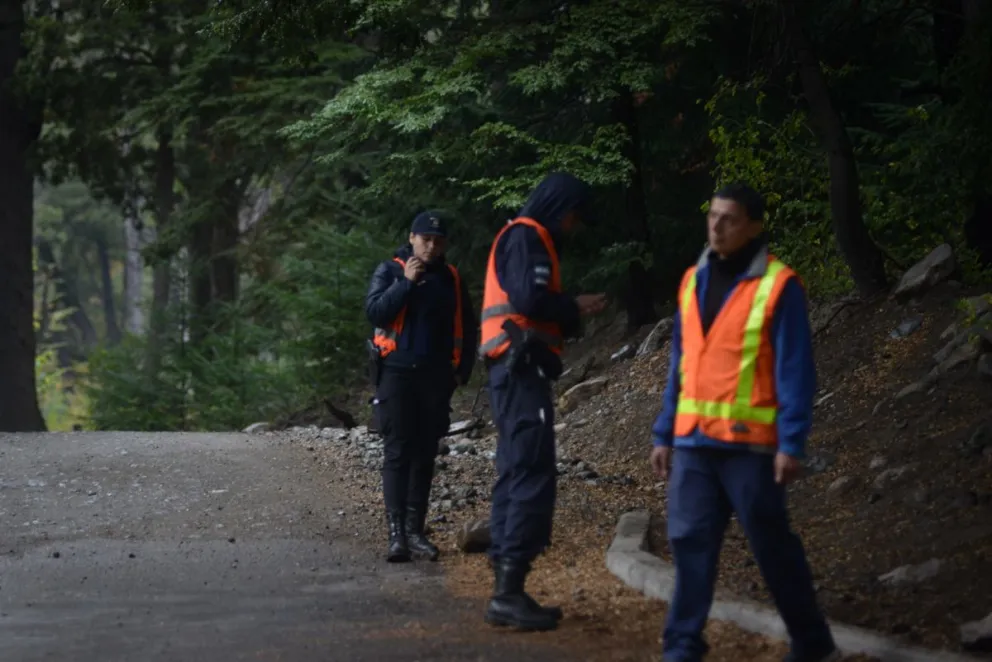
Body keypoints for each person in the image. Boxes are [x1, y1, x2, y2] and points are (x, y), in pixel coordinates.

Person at [649, 183, 839, 662]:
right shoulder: (692, 280)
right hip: (693, 442)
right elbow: (680, 365)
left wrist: (791, 442)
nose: (716, 226)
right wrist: (664, 432)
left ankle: (812, 643)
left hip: (750, 448)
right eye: (712, 215)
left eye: (729, 218)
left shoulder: (779, 285)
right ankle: (682, 645)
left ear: (753, 226)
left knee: (772, 547)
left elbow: (795, 369)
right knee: (689, 541)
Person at [478, 172, 608, 632]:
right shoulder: (528, 237)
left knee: (516, 467)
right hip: (520, 366)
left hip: (512, 367)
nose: (573, 226)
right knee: (531, 469)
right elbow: (530, 300)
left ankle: (506, 587)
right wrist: (572, 305)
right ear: (558, 207)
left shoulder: (521, 236)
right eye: (573, 216)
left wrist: (569, 309)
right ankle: (508, 590)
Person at [365, 211, 478, 563]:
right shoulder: (391, 270)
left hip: (435, 376)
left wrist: (461, 373)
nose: (431, 246)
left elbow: (468, 327)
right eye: (425, 239)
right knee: (398, 450)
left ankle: (415, 532)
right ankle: (396, 534)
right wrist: (406, 283)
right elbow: (375, 313)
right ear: (412, 238)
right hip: (396, 373)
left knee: (425, 453)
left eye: (438, 241)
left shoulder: (451, 278)